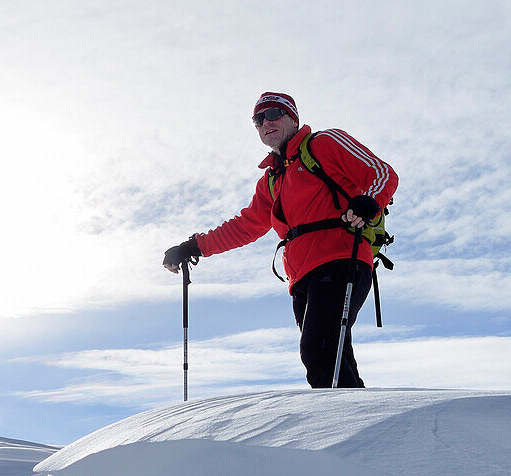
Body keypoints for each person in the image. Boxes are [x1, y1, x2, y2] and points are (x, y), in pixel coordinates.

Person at [163, 92, 398, 388]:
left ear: (292, 118)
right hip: (301, 278)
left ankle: (347, 425)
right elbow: (246, 225)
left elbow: (382, 173)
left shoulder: (324, 144)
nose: (266, 123)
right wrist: (193, 246)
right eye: (258, 119)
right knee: (335, 358)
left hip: (341, 260)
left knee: (320, 352)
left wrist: (369, 202)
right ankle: (364, 426)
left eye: (274, 113)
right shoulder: (272, 179)